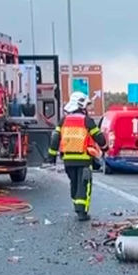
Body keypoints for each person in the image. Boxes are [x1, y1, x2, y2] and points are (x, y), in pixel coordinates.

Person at [46, 91, 106, 220]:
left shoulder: (63, 121)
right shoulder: (87, 121)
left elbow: (55, 139)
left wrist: (51, 156)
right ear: (81, 105)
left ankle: (76, 206)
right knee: (84, 184)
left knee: (74, 183)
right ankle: (81, 212)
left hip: (68, 160)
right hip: (84, 159)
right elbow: (99, 137)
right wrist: (105, 148)